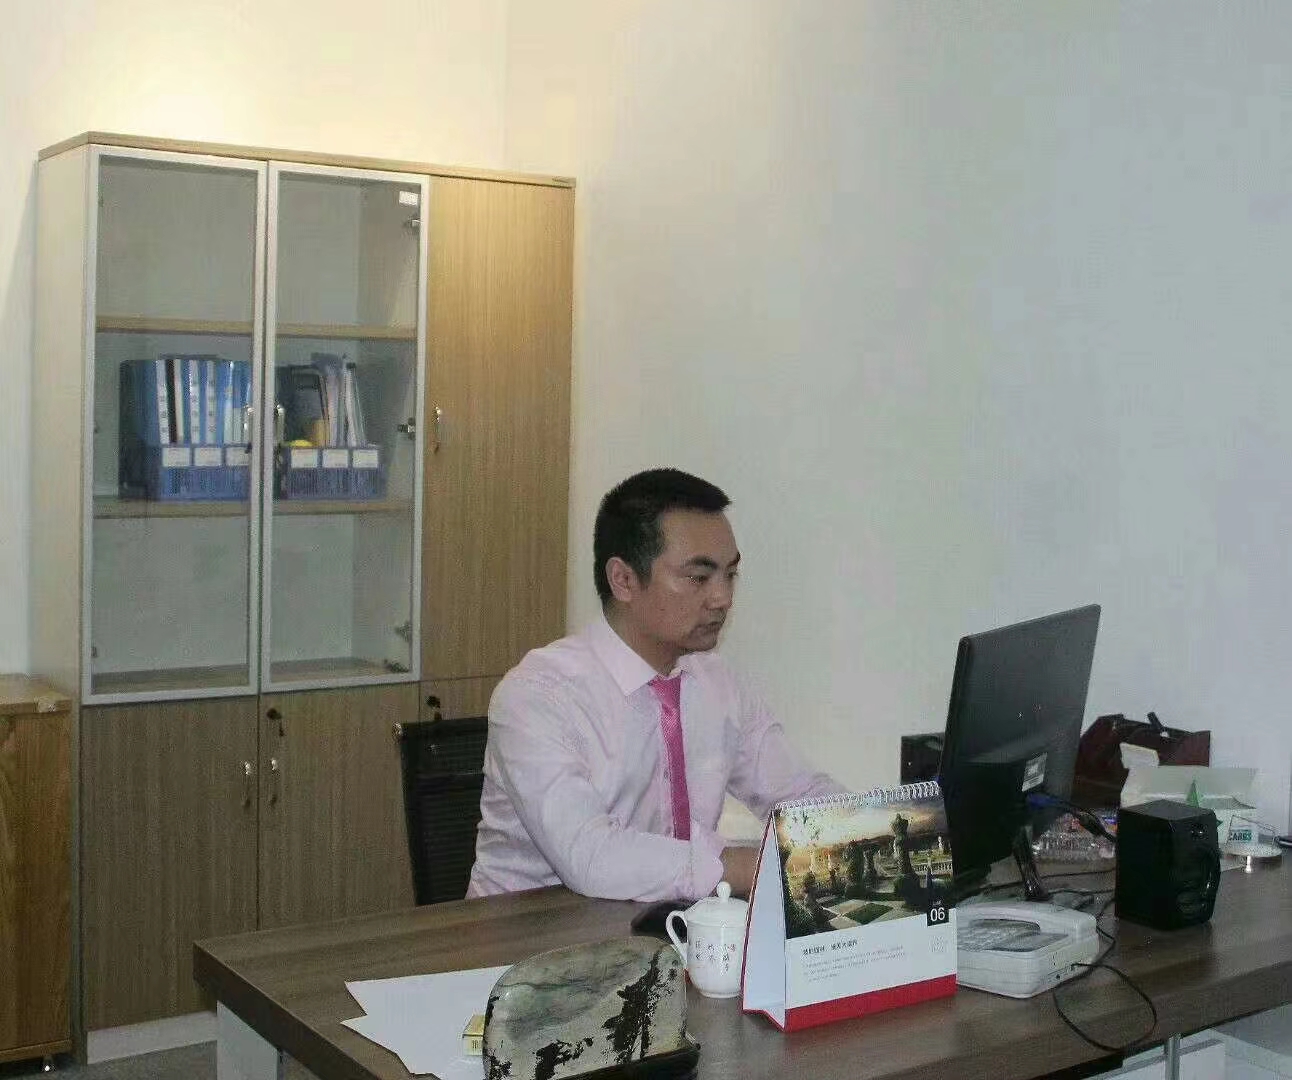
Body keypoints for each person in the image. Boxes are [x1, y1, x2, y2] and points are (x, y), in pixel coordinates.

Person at [467, 468, 842, 902]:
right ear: (624, 580)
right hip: (530, 933)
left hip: (668, 927)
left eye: (730, 575)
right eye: (699, 577)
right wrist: (757, 865)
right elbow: (591, 856)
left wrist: (872, 832)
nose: (722, 598)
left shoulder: (718, 682)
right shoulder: (538, 695)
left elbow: (800, 793)